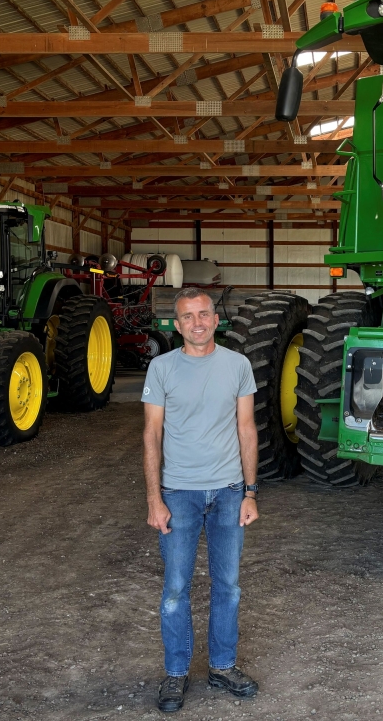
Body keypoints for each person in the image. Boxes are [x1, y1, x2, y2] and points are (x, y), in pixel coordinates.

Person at [142, 287, 261, 713]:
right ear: (176, 325)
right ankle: (176, 674)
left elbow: (247, 429)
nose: (196, 322)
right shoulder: (161, 368)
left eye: (204, 314)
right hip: (179, 494)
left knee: (227, 586)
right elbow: (151, 434)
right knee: (176, 589)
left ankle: (222, 667)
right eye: (187, 316)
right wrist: (155, 499)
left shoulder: (238, 365)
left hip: (229, 494)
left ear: (216, 320)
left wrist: (250, 492)